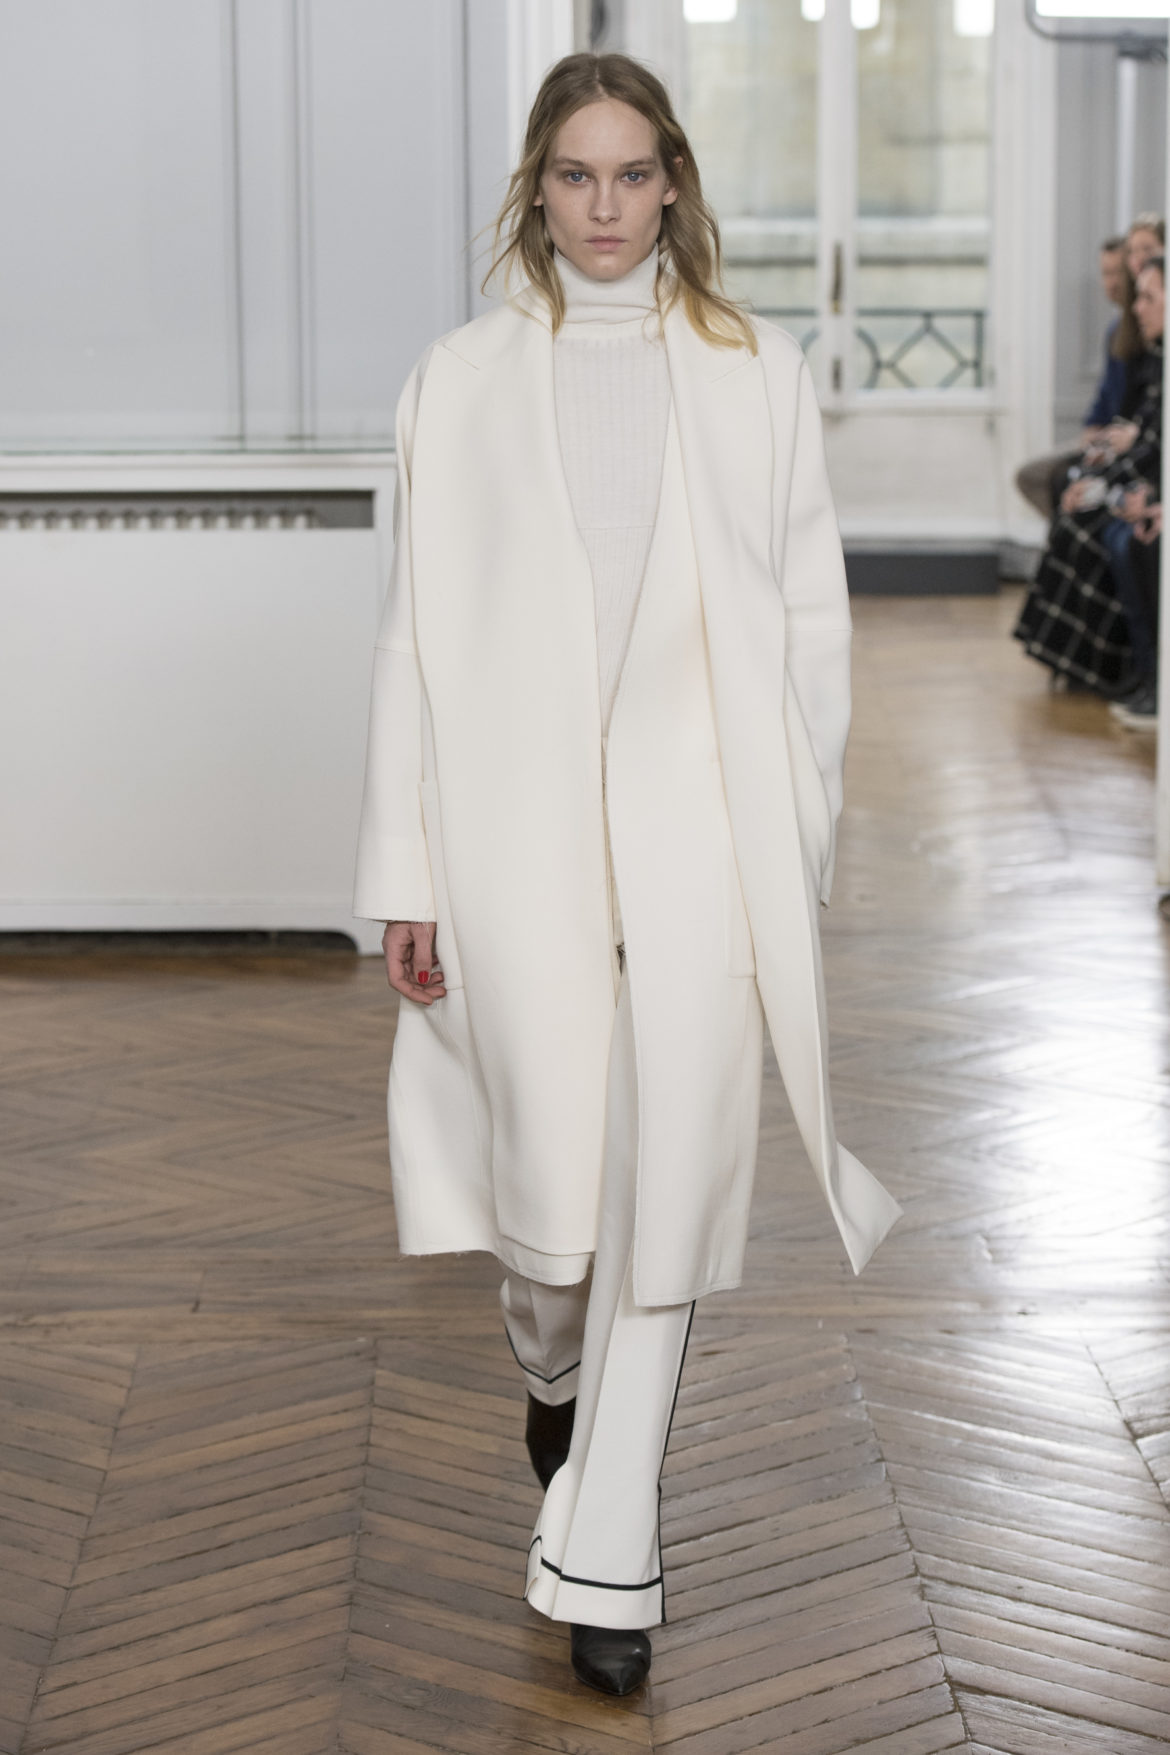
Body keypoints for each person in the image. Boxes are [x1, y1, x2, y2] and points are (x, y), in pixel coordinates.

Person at [352, 51, 902, 1698]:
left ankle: (609, 1561)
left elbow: (809, 625)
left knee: (665, 1193)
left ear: (674, 185)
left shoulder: (754, 371)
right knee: (556, 1229)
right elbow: (409, 644)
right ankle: (550, 1370)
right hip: (512, 847)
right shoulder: (455, 383)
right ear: (538, 187)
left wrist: (789, 837)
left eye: (633, 173)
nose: (605, 207)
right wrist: (405, 869)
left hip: (700, 845)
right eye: (575, 175)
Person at [1014, 256, 1163, 696]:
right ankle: (1086, 662)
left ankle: (1136, 672)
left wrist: (1130, 492)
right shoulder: (1137, 344)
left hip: (1144, 478)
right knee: (1069, 498)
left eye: (1149, 296)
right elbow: (1130, 422)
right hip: (1125, 459)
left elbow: (1150, 443)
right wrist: (1096, 468)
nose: (1137, 305)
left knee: (1109, 533)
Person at [1014, 236, 1129, 520]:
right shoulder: (1115, 331)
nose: (1112, 282)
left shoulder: (1138, 337)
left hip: (1121, 441)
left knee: (1056, 479)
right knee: (1034, 476)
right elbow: (1106, 392)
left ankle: (1071, 531)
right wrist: (1093, 426)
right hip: (1102, 435)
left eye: (1118, 272)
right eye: (1106, 273)